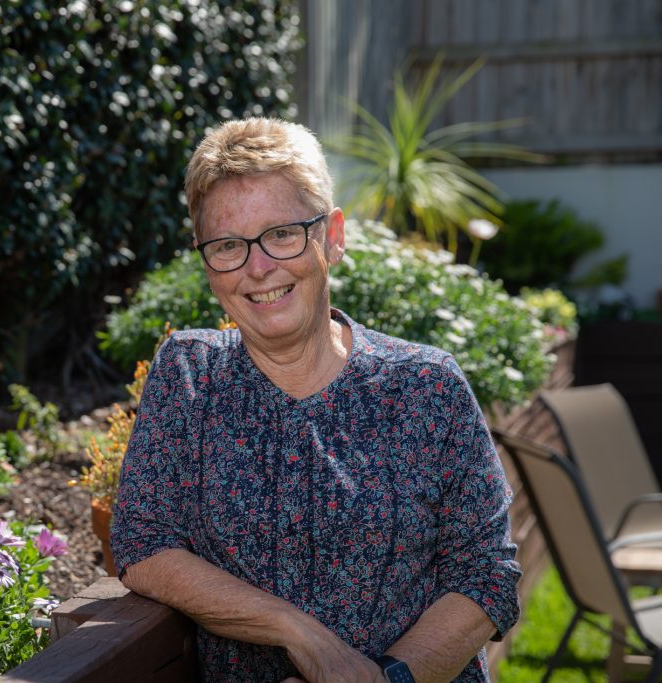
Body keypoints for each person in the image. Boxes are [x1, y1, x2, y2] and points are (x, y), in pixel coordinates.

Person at [110, 117, 521, 683]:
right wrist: (298, 633)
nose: (258, 268)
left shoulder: (426, 385)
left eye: (281, 233)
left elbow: (485, 575)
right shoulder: (190, 376)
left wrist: (383, 680)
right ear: (206, 263)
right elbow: (142, 541)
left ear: (332, 236)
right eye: (228, 244)